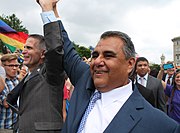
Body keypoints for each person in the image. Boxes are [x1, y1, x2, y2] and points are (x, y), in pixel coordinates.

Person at [38, 0, 180, 133]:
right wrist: (49, 8)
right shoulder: (85, 78)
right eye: (95, 55)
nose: (97, 61)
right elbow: (65, 46)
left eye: (108, 55)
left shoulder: (161, 125)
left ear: (130, 64)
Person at [6, 15, 65, 133]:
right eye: (24, 47)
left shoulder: (49, 73)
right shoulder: (28, 75)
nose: (24, 51)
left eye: (29, 48)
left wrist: (47, 11)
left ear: (43, 53)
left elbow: (54, 49)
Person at [0, 53, 20, 133]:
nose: (14, 68)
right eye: (11, 66)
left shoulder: (19, 81)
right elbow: (6, 103)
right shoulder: (2, 83)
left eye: (17, 65)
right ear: (3, 67)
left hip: (18, 127)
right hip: (4, 128)